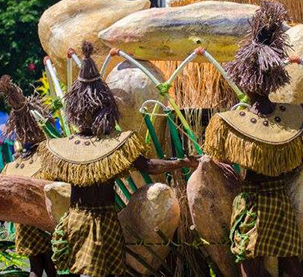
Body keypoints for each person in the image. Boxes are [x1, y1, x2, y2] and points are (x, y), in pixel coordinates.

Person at [39, 41, 197, 277]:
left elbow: (146, 165)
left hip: (79, 221)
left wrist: (180, 162)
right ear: (105, 108)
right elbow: (148, 166)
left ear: (75, 110)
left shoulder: (63, 150)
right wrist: (181, 162)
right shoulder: (113, 145)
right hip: (101, 222)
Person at [203, 2, 303, 277]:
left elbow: (220, 157)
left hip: (251, 201)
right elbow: (301, 158)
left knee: (249, 265)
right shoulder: (293, 121)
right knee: (289, 263)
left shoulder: (229, 123)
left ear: (245, 82)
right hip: (279, 200)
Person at [0, 74, 59, 277]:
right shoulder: (48, 160)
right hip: (42, 220)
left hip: (24, 223)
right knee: (47, 267)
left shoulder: (15, 166)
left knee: (37, 268)